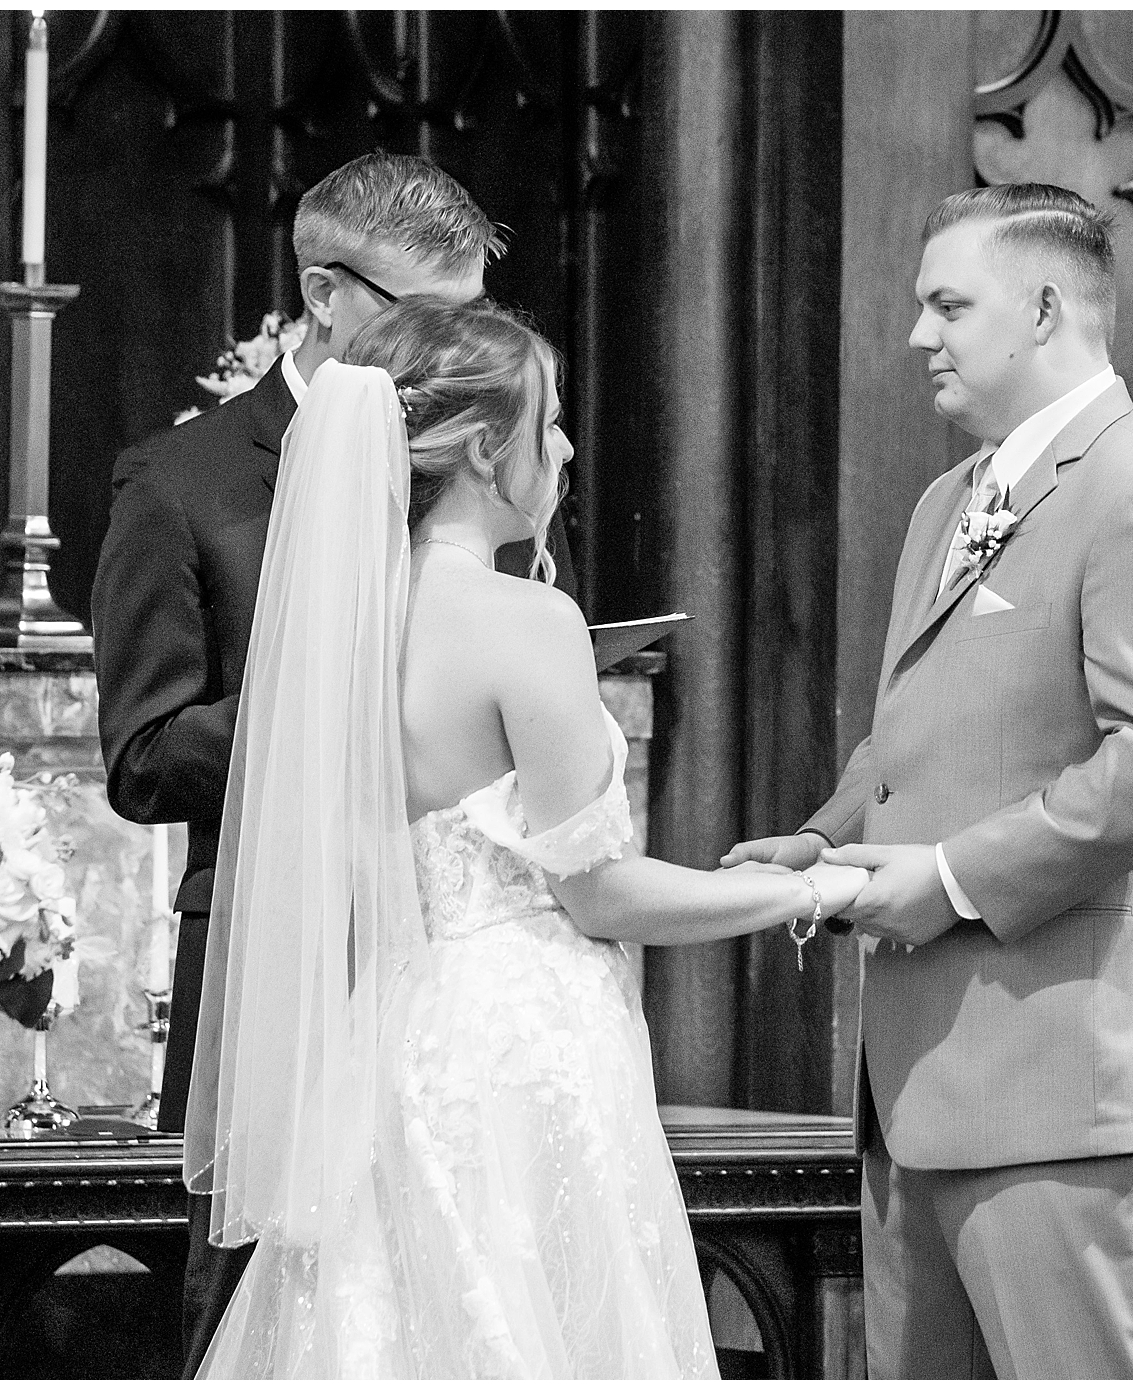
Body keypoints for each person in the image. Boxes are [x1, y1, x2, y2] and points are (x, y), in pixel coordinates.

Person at [182, 297, 868, 1377]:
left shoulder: (342, 626)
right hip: (521, 1046)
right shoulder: (525, 620)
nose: (567, 448)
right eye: (547, 422)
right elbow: (600, 894)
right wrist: (816, 890)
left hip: (396, 1040)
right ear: (480, 449)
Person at [725, 184, 1133, 1378]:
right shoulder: (945, 501)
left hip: (1069, 1081)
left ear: (1045, 308)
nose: (919, 334)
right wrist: (825, 840)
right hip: (920, 1085)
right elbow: (924, 730)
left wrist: (953, 878)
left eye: (949, 306)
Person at [91, 153, 576, 1375]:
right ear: (323, 293)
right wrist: (326, 699)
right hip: (278, 959)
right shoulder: (185, 480)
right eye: (430, 313)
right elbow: (144, 758)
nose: (459, 345)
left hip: (460, 966)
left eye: (473, 313)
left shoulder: (482, 439)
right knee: (267, 1311)